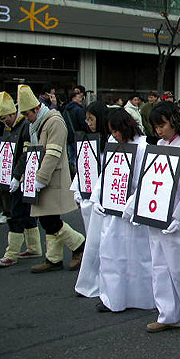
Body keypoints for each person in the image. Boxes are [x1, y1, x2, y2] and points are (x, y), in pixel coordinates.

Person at [126, 101, 180, 332]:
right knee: (160, 266)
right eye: (155, 126)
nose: (159, 130)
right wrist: (134, 204)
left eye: (162, 124)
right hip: (156, 212)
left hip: (179, 216)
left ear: (175, 120)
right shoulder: (161, 144)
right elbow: (148, 179)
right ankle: (169, 313)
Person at [89, 107, 154, 312]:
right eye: (111, 131)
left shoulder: (143, 147)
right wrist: (97, 196)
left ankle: (143, 297)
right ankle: (112, 297)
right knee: (111, 254)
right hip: (113, 206)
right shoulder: (112, 143)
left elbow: (146, 179)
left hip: (133, 210)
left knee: (139, 257)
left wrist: (133, 203)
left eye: (117, 131)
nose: (114, 135)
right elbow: (106, 172)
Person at [16, 85, 85, 273]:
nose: (26, 118)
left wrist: (39, 179)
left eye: (27, 114)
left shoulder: (54, 121)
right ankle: (53, 258)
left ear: (37, 109)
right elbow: (29, 153)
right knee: (47, 218)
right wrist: (22, 176)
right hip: (41, 178)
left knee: (50, 220)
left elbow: (53, 154)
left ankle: (79, 245)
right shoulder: (35, 124)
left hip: (51, 178)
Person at [0, 91, 43, 267]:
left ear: (12, 113)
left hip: (23, 177)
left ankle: (12, 253)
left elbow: (26, 154)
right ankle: (34, 247)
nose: (3, 121)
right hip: (12, 178)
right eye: (1, 119)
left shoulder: (25, 127)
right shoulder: (9, 129)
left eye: (5, 118)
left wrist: (17, 176)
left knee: (17, 215)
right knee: (26, 214)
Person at [72, 101, 110, 298]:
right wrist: (77, 188)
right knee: (93, 242)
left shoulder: (111, 141)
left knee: (102, 243)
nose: (88, 123)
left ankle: (102, 281)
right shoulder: (89, 141)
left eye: (91, 119)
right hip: (89, 200)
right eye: (87, 119)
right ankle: (92, 280)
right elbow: (82, 166)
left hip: (104, 201)